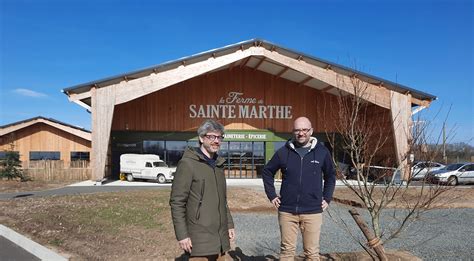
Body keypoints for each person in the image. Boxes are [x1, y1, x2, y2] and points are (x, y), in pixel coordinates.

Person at [262, 116, 336, 261]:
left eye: (304, 130)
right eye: (297, 130)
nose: (301, 133)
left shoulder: (322, 152)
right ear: (293, 131)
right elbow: (267, 172)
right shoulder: (283, 152)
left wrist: (327, 198)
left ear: (311, 131)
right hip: (287, 211)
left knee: (312, 253)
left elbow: (330, 176)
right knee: (287, 252)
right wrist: (272, 195)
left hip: (312, 211)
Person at [170, 119, 235, 260]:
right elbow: (177, 202)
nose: (216, 141)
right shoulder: (188, 164)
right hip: (199, 239)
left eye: (219, 137)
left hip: (220, 239)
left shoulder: (219, 165)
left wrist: (229, 224)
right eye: (211, 136)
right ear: (201, 138)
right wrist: (182, 235)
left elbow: (222, 200)